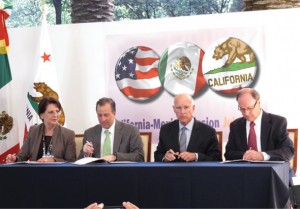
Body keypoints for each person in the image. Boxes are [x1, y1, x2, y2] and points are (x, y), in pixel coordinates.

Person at [225, 88, 295, 165]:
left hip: (273, 170)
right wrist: (245, 155)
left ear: (258, 102)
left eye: (250, 108)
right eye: (242, 109)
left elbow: (288, 151)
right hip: (246, 172)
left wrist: (262, 156)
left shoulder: (277, 122)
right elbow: (228, 153)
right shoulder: (235, 125)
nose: (246, 113)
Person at [6, 96, 76, 163]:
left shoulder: (68, 134)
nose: (55, 115)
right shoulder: (33, 130)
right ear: (41, 115)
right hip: (35, 172)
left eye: (57, 111)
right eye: (51, 112)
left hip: (58, 173)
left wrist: (53, 160)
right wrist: (14, 159)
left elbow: (71, 162)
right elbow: (22, 156)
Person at [154, 93, 222, 162]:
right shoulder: (165, 130)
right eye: (178, 108)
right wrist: (165, 158)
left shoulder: (208, 132)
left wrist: (196, 156)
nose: (182, 112)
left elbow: (216, 158)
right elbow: (158, 155)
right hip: (172, 172)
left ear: (193, 108)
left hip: (197, 172)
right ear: (174, 109)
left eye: (186, 107)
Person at [78, 97, 144, 162]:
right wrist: (86, 155)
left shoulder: (130, 131)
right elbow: (79, 162)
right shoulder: (89, 133)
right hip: (96, 172)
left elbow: (139, 157)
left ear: (114, 114)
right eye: (99, 115)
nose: (102, 119)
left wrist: (115, 157)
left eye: (106, 115)